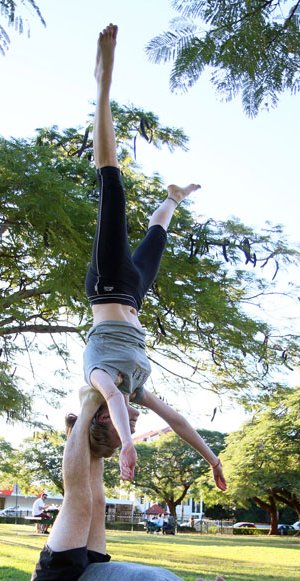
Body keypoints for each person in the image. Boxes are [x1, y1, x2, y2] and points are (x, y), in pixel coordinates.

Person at [24, 387, 260, 581]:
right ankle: (84, 434)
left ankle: (87, 408)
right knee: (97, 501)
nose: (220, 579)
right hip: (91, 571)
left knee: (80, 500)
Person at [82, 23, 227, 491]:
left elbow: (119, 406)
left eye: (112, 421)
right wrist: (212, 458)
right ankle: (173, 198)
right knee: (159, 234)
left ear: (101, 416)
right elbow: (181, 420)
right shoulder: (137, 390)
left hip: (108, 284)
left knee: (112, 185)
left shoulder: (99, 378)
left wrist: (128, 442)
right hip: (135, 296)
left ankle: (102, 87)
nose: (120, 413)